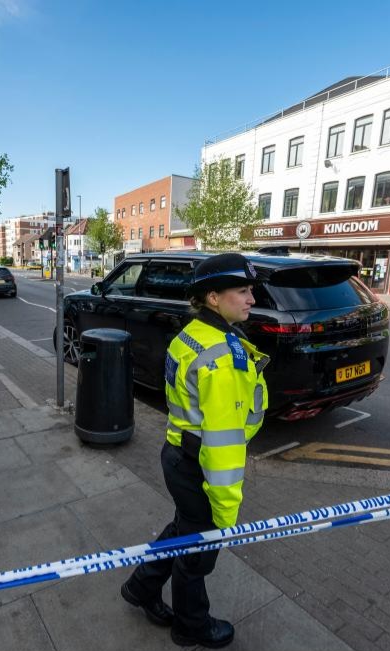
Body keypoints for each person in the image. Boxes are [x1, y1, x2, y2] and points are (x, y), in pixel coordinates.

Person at [121, 252, 269, 648]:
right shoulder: (222, 359)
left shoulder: (195, 334)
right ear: (213, 298)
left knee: (183, 531)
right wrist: (226, 513)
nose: (252, 299)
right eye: (242, 291)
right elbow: (223, 446)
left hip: (178, 455)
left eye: (250, 289)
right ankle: (191, 626)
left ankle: (141, 588)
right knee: (197, 553)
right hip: (201, 467)